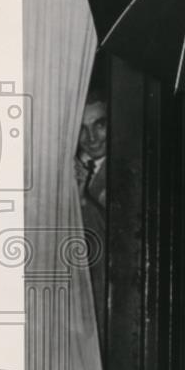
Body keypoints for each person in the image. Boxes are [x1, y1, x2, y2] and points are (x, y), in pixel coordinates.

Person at [74, 92, 108, 349]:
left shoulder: (129, 167)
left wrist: (83, 200)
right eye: (83, 129)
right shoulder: (68, 168)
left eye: (100, 124)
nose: (92, 137)